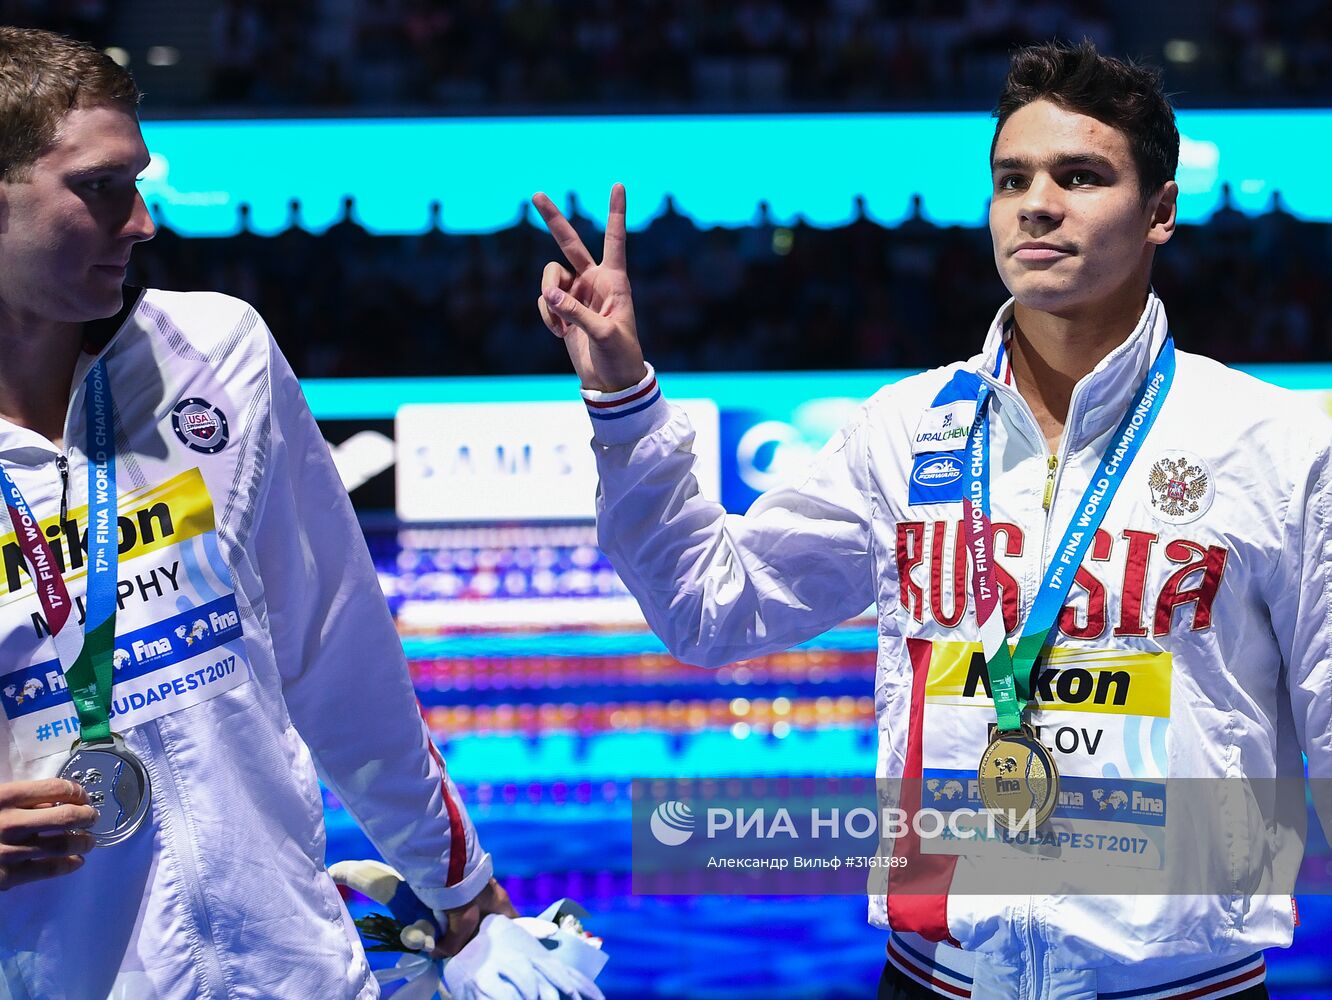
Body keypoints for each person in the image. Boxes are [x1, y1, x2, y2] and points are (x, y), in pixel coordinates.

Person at [534, 40, 1330, 1000]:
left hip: (1183, 985)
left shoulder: (1274, 445)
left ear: (1160, 210)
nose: (1037, 203)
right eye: (1012, 178)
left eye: (1080, 176)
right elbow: (713, 610)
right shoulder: (904, 432)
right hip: (933, 979)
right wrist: (624, 402)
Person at [0, 27, 591, 1000]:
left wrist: (463, 883)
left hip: (298, 974)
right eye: (101, 187)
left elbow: (339, 650)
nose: (143, 220)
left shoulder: (214, 355)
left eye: (139, 182)